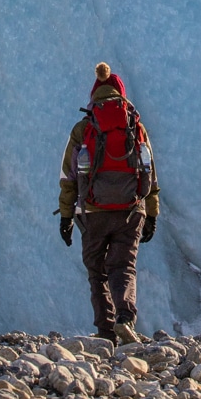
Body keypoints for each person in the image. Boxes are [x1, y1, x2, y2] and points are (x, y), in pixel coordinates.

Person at [58, 62, 159, 344]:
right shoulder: (134, 125)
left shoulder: (84, 128)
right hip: (130, 209)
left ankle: (105, 331)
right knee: (123, 266)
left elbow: (68, 175)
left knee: (97, 270)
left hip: (93, 211)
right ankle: (125, 319)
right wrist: (151, 213)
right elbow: (149, 170)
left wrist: (66, 217)